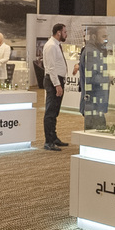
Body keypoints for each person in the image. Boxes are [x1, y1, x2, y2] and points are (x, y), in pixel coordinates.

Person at [42, 22, 70, 151]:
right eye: (64, 32)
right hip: (54, 81)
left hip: (57, 80)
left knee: (55, 111)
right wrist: (57, 84)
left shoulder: (56, 45)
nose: (66, 34)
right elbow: (51, 68)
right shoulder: (51, 46)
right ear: (58, 32)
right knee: (50, 112)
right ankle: (48, 141)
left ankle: (53, 137)